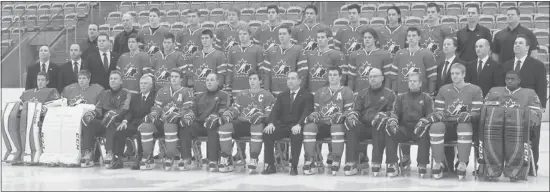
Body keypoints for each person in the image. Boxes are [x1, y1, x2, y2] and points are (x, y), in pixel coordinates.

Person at [498, 35, 547, 176]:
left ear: (527, 47)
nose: (517, 45)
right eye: (515, 43)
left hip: (529, 109)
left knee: (533, 138)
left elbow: (542, 87)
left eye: (520, 43)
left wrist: (541, 106)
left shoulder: (537, 65)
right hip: (509, 108)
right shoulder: (506, 65)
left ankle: (532, 166)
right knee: (509, 137)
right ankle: (510, 165)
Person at [481, 70, 542, 181]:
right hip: (495, 130)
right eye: (507, 78)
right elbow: (484, 111)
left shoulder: (530, 93)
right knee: (491, 134)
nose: (509, 80)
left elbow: (537, 114)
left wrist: (516, 114)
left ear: (519, 80)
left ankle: (515, 172)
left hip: (519, 130)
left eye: (512, 79)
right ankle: (492, 171)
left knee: (515, 136)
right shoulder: (494, 91)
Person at [429, 63, 483, 180]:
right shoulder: (444, 89)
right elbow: (438, 111)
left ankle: (462, 163)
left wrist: (469, 115)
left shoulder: (475, 89)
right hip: (447, 124)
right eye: (452, 73)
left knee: (464, 126)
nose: (454, 76)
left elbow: (477, 112)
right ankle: (439, 162)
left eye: (457, 73)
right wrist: (439, 114)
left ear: (464, 74)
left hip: (465, 125)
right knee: (436, 127)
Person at [137, 69, 195, 171]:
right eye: (172, 77)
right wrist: (153, 114)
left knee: (170, 124)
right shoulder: (162, 91)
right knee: (146, 126)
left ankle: (170, 156)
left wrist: (177, 114)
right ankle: (148, 157)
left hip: (177, 123)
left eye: (176, 77)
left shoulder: (187, 91)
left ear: (181, 79)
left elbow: (188, 108)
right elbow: (157, 107)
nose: (173, 79)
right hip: (162, 121)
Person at [218, 72, 275, 173]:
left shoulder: (267, 95)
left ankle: (254, 158)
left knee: (257, 126)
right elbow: (235, 109)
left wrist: (263, 116)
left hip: (256, 124)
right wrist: (229, 113)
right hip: (242, 123)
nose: (252, 81)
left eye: (254, 79)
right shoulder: (241, 94)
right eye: (250, 79)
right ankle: (226, 158)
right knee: (224, 127)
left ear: (260, 81)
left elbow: (269, 112)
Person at [302, 66, 354, 176]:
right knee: (309, 127)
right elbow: (316, 110)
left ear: (340, 77)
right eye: (330, 75)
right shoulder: (320, 92)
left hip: (337, 124)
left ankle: (336, 159)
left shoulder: (347, 91)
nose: (332, 77)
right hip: (322, 124)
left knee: (336, 127)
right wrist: (314, 115)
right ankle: (309, 159)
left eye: (335, 75)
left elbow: (349, 112)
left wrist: (342, 116)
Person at [345, 68, 397, 176]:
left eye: (375, 76)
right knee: (351, 127)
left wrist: (384, 116)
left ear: (382, 78)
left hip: (378, 125)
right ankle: (351, 162)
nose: (372, 79)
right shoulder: (362, 93)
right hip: (363, 125)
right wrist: (353, 115)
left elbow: (392, 112)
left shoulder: (390, 94)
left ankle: (376, 162)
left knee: (378, 126)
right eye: (370, 77)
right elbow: (357, 109)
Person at [3, 72, 61, 165]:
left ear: (47, 81)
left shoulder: (51, 91)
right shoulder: (27, 93)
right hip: (24, 119)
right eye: (38, 80)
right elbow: (19, 105)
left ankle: (31, 154)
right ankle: (18, 153)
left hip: (40, 120)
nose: (40, 82)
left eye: (42, 80)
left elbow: (56, 105)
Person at [262, 71, 314, 176]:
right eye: (288, 78)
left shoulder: (307, 95)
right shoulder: (282, 95)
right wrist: (271, 123)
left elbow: (306, 112)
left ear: (300, 81)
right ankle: (270, 165)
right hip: (283, 126)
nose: (290, 81)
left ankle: (294, 166)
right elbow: (275, 111)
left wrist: (299, 124)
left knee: (296, 135)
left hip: (297, 125)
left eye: (293, 78)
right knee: (267, 133)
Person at [178, 73, 231, 172]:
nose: (209, 82)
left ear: (217, 82)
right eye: (207, 80)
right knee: (185, 126)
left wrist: (215, 117)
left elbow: (224, 110)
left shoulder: (224, 95)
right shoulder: (199, 96)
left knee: (212, 125)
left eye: (212, 80)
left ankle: (213, 161)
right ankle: (186, 159)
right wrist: (189, 116)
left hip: (214, 123)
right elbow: (193, 110)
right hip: (200, 124)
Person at [80, 70, 132, 168]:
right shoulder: (105, 93)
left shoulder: (126, 93)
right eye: (111, 79)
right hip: (104, 121)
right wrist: (92, 114)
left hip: (117, 122)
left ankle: (109, 153)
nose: (113, 81)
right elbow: (99, 108)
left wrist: (112, 115)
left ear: (121, 81)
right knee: (88, 121)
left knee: (110, 119)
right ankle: (88, 152)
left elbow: (124, 109)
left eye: (115, 79)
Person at [385, 72, 433, 178]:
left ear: (420, 83)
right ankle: (392, 163)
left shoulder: (426, 98)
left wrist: (424, 121)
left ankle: (422, 163)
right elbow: (395, 112)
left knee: (425, 133)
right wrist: (393, 119)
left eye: (415, 81)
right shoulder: (401, 97)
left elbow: (430, 115)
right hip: (404, 128)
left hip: (419, 128)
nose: (412, 83)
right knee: (390, 130)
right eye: (410, 81)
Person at [109, 74, 156, 170]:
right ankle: (118, 157)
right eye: (141, 83)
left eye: (145, 83)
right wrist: (125, 121)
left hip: (147, 124)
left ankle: (140, 156)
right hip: (134, 123)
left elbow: (154, 112)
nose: (142, 85)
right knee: (120, 130)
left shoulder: (155, 97)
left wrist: (145, 122)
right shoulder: (135, 97)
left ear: (150, 85)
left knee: (141, 132)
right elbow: (130, 112)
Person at [390, 27, 437, 95]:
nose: (411, 38)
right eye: (409, 36)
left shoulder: (427, 54)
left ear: (419, 38)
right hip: (402, 94)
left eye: (414, 35)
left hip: (422, 95)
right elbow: (393, 75)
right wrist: (394, 91)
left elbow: (432, 77)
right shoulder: (399, 54)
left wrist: (430, 93)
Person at [261, 25, 305, 94]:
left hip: (291, 93)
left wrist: (299, 92)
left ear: (290, 35)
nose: (281, 36)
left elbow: (303, 73)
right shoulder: (271, 51)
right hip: (274, 92)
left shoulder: (298, 50)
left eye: (284, 34)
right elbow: (266, 74)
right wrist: (267, 91)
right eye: (280, 34)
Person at [347, 27, 393, 92]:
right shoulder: (354, 55)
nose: (367, 40)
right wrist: (350, 91)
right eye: (365, 38)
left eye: (369, 37)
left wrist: (386, 92)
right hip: (359, 93)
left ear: (375, 39)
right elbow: (351, 77)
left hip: (378, 93)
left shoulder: (385, 55)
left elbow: (388, 77)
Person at [184, 29, 228, 94]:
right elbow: (190, 74)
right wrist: (191, 87)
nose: (204, 40)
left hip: (213, 93)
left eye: (207, 38)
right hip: (197, 93)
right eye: (202, 38)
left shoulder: (219, 55)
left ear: (212, 39)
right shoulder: (194, 55)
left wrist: (217, 88)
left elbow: (221, 76)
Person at [227, 26, 265, 93]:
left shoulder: (257, 49)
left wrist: (261, 84)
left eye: (244, 34)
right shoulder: (232, 50)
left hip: (252, 87)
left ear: (250, 35)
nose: (242, 36)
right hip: (236, 86)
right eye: (240, 34)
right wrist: (228, 84)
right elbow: (229, 70)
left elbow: (261, 70)